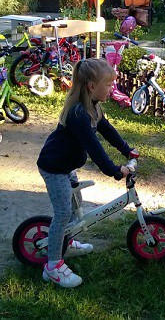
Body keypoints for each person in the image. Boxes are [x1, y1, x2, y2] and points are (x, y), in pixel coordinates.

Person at [36, 58, 139, 288]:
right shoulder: (78, 114)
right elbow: (95, 147)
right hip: (54, 167)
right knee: (63, 212)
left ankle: (67, 240)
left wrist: (126, 149)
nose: (112, 88)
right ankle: (53, 265)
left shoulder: (93, 106)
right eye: (108, 84)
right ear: (92, 86)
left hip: (67, 166)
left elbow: (107, 130)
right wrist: (114, 170)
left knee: (75, 203)